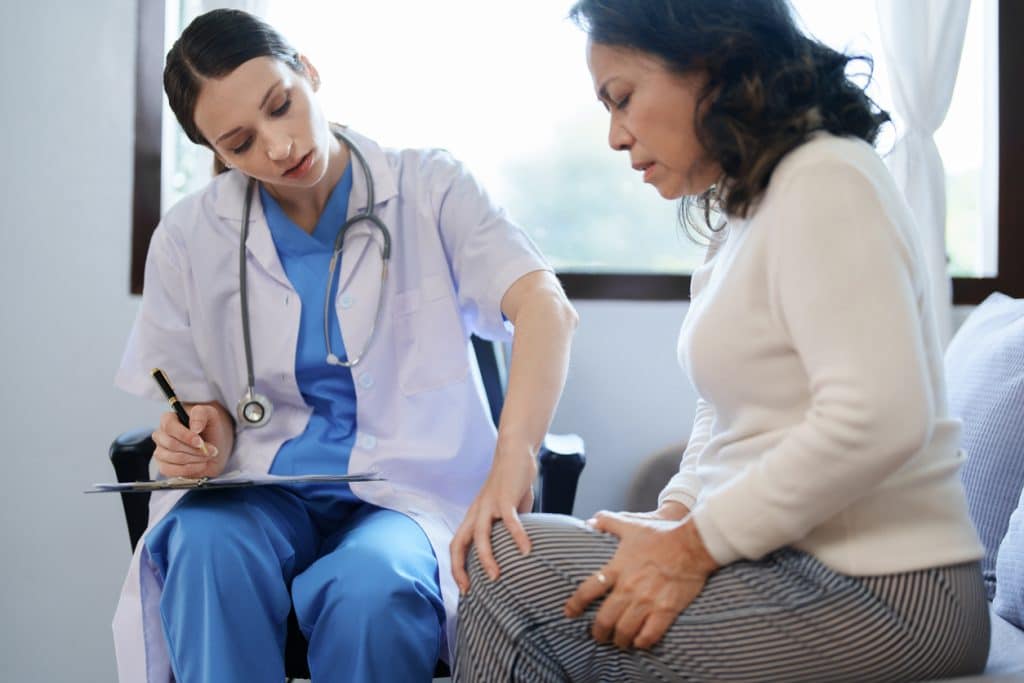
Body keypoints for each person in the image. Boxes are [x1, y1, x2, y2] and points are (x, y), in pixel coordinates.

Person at [453, 1, 990, 681]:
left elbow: (881, 415)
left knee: (507, 581)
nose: (615, 136)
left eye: (622, 99)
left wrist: (695, 546)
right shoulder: (741, 214)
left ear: (709, 60)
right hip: (792, 560)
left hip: (891, 587)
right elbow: (724, 411)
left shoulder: (826, 179)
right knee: (508, 553)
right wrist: (673, 514)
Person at [112, 8, 577, 683]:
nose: (276, 148)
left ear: (308, 70)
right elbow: (197, 403)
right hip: (260, 486)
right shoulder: (190, 237)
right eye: (240, 142)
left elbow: (545, 308)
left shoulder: (429, 188)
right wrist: (197, 435)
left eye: (281, 105)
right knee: (204, 544)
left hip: (405, 491)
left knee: (374, 589)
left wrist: (514, 457)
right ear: (215, 151)